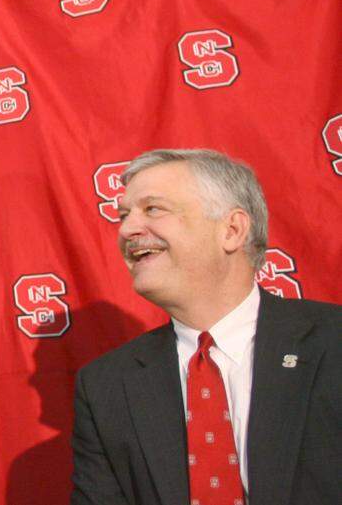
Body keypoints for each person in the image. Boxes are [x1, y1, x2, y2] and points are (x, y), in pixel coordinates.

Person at [71, 149, 341, 505]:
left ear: (231, 230)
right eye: (124, 215)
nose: (127, 229)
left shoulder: (332, 341)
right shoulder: (105, 386)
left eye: (153, 209)